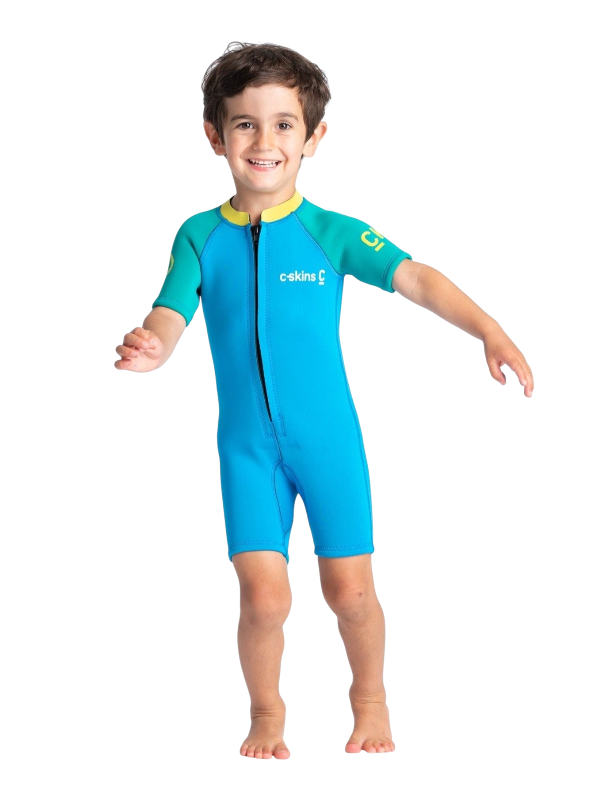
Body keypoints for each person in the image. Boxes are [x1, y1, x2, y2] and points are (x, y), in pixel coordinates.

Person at [114, 42, 534, 759]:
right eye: (245, 124)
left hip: (330, 442)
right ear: (215, 136)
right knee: (263, 597)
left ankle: (370, 701)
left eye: (284, 124)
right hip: (246, 447)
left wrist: (489, 330)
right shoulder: (198, 232)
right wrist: (155, 344)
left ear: (313, 137)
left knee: (348, 589)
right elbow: (172, 307)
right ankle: (267, 713)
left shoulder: (331, 231)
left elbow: (416, 278)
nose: (264, 140)